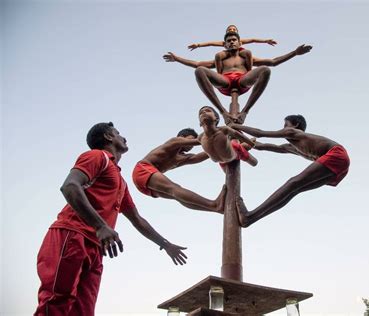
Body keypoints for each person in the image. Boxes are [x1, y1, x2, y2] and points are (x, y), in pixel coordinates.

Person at [34, 122, 187, 316]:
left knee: (83, 310)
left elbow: (137, 219)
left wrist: (165, 244)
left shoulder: (120, 180)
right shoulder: (98, 156)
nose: (123, 137)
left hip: (96, 247)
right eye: (118, 133)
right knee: (56, 302)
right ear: (108, 137)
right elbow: (70, 186)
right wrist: (100, 226)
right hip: (72, 234)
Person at [163, 32, 312, 124]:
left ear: (240, 43)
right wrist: (177, 59)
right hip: (225, 82)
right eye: (229, 40)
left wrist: (294, 53)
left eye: (234, 39)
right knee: (200, 71)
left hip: (243, 81)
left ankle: (245, 111)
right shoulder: (221, 58)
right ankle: (222, 111)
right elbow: (196, 64)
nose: (232, 41)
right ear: (225, 44)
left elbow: (273, 62)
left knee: (265, 70)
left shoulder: (246, 56)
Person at [229, 115, 350, 227]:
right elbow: (262, 146)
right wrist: (242, 139)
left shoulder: (293, 132)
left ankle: (249, 216)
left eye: (285, 125)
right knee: (293, 189)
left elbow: (260, 133)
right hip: (339, 165)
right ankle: (249, 218)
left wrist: (233, 126)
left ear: (295, 125)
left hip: (336, 155)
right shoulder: (292, 147)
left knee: (293, 182)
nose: (283, 129)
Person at [132, 128, 226, 213]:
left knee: (178, 196)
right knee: (174, 188)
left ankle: (216, 208)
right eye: (190, 138)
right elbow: (199, 141)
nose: (191, 146)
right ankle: (214, 205)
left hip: (146, 185)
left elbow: (201, 156)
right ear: (181, 137)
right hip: (142, 170)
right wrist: (220, 132)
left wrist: (221, 146)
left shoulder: (182, 157)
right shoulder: (174, 142)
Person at [187, 24, 277, 51]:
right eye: (230, 29)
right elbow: (210, 43)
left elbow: (253, 40)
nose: (232, 30)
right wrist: (198, 45)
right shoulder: (224, 43)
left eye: (234, 29)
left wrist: (265, 41)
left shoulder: (240, 41)